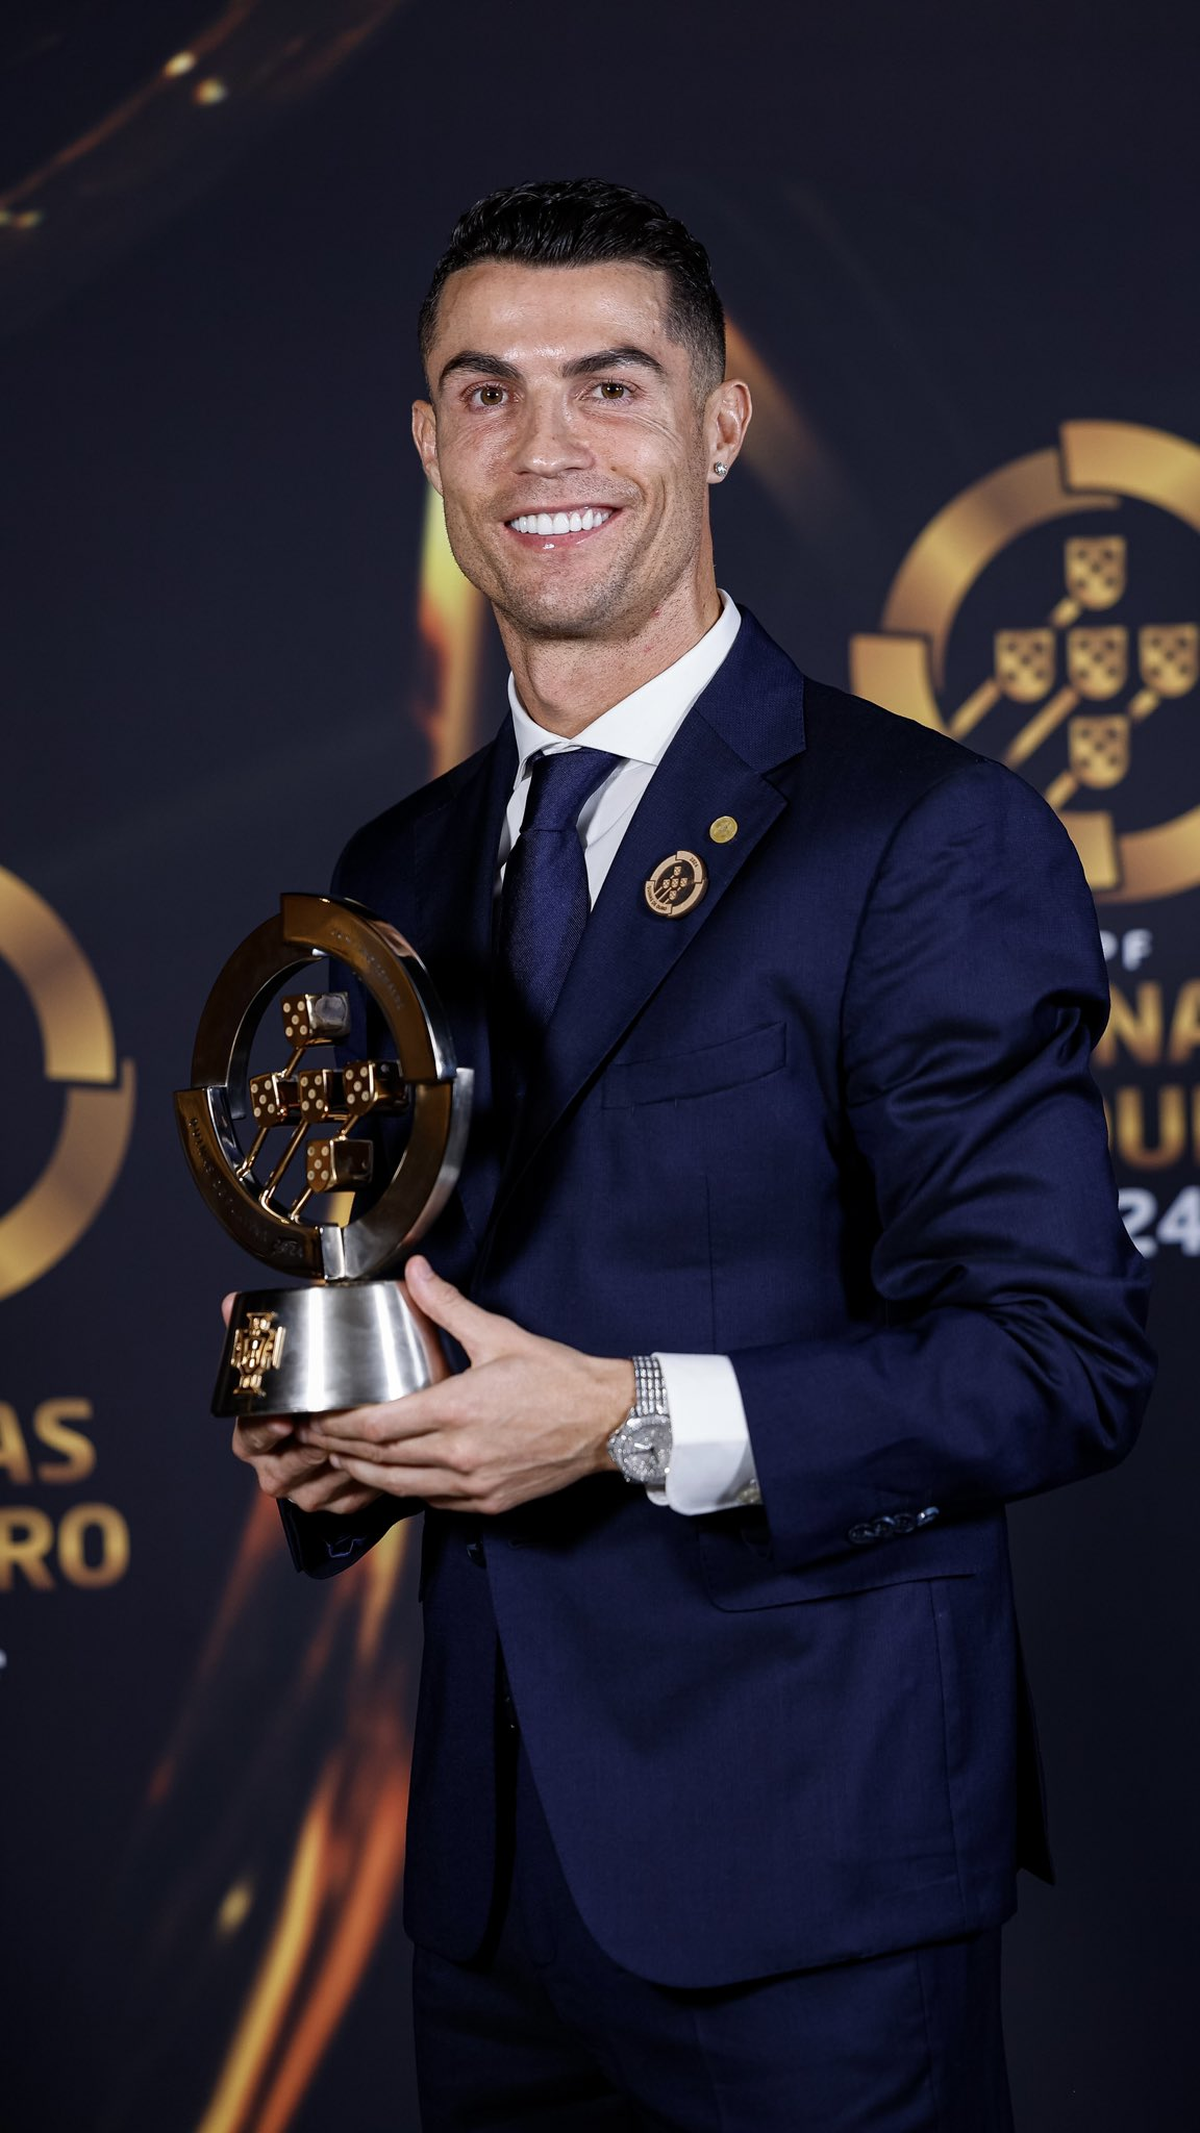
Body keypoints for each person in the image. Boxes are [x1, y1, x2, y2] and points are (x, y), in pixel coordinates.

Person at [231, 179, 1154, 2130]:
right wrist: (335, 1444)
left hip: (813, 1879)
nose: (544, 450)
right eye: (485, 394)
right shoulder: (397, 864)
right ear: (428, 443)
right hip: (490, 1892)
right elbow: (420, 1285)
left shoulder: (922, 834)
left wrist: (632, 1416)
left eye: (611, 386)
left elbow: (1058, 1352)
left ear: (720, 423)